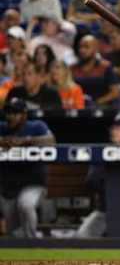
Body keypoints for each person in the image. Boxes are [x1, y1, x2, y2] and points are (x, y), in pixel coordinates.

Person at [75, 113, 120, 238]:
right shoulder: (102, 153)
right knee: (82, 237)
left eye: (119, 129)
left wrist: (113, 175)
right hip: (104, 210)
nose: (114, 132)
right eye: (113, 129)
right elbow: (92, 181)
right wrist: (112, 175)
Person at [0, 98, 56, 238]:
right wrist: (2, 141)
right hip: (9, 186)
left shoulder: (36, 126)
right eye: (8, 112)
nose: (10, 116)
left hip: (33, 183)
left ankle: (32, 243)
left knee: (25, 204)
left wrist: (27, 141)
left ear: (24, 115)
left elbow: (51, 141)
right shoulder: (2, 127)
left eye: (15, 113)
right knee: (13, 232)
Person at [71, 35, 120, 108]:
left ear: (95, 49)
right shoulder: (72, 68)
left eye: (86, 47)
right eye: (80, 47)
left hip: (102, 107)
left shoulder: (105, 67)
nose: (82, 50)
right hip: (77, 107)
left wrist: (96, 102)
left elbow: (115, 92)